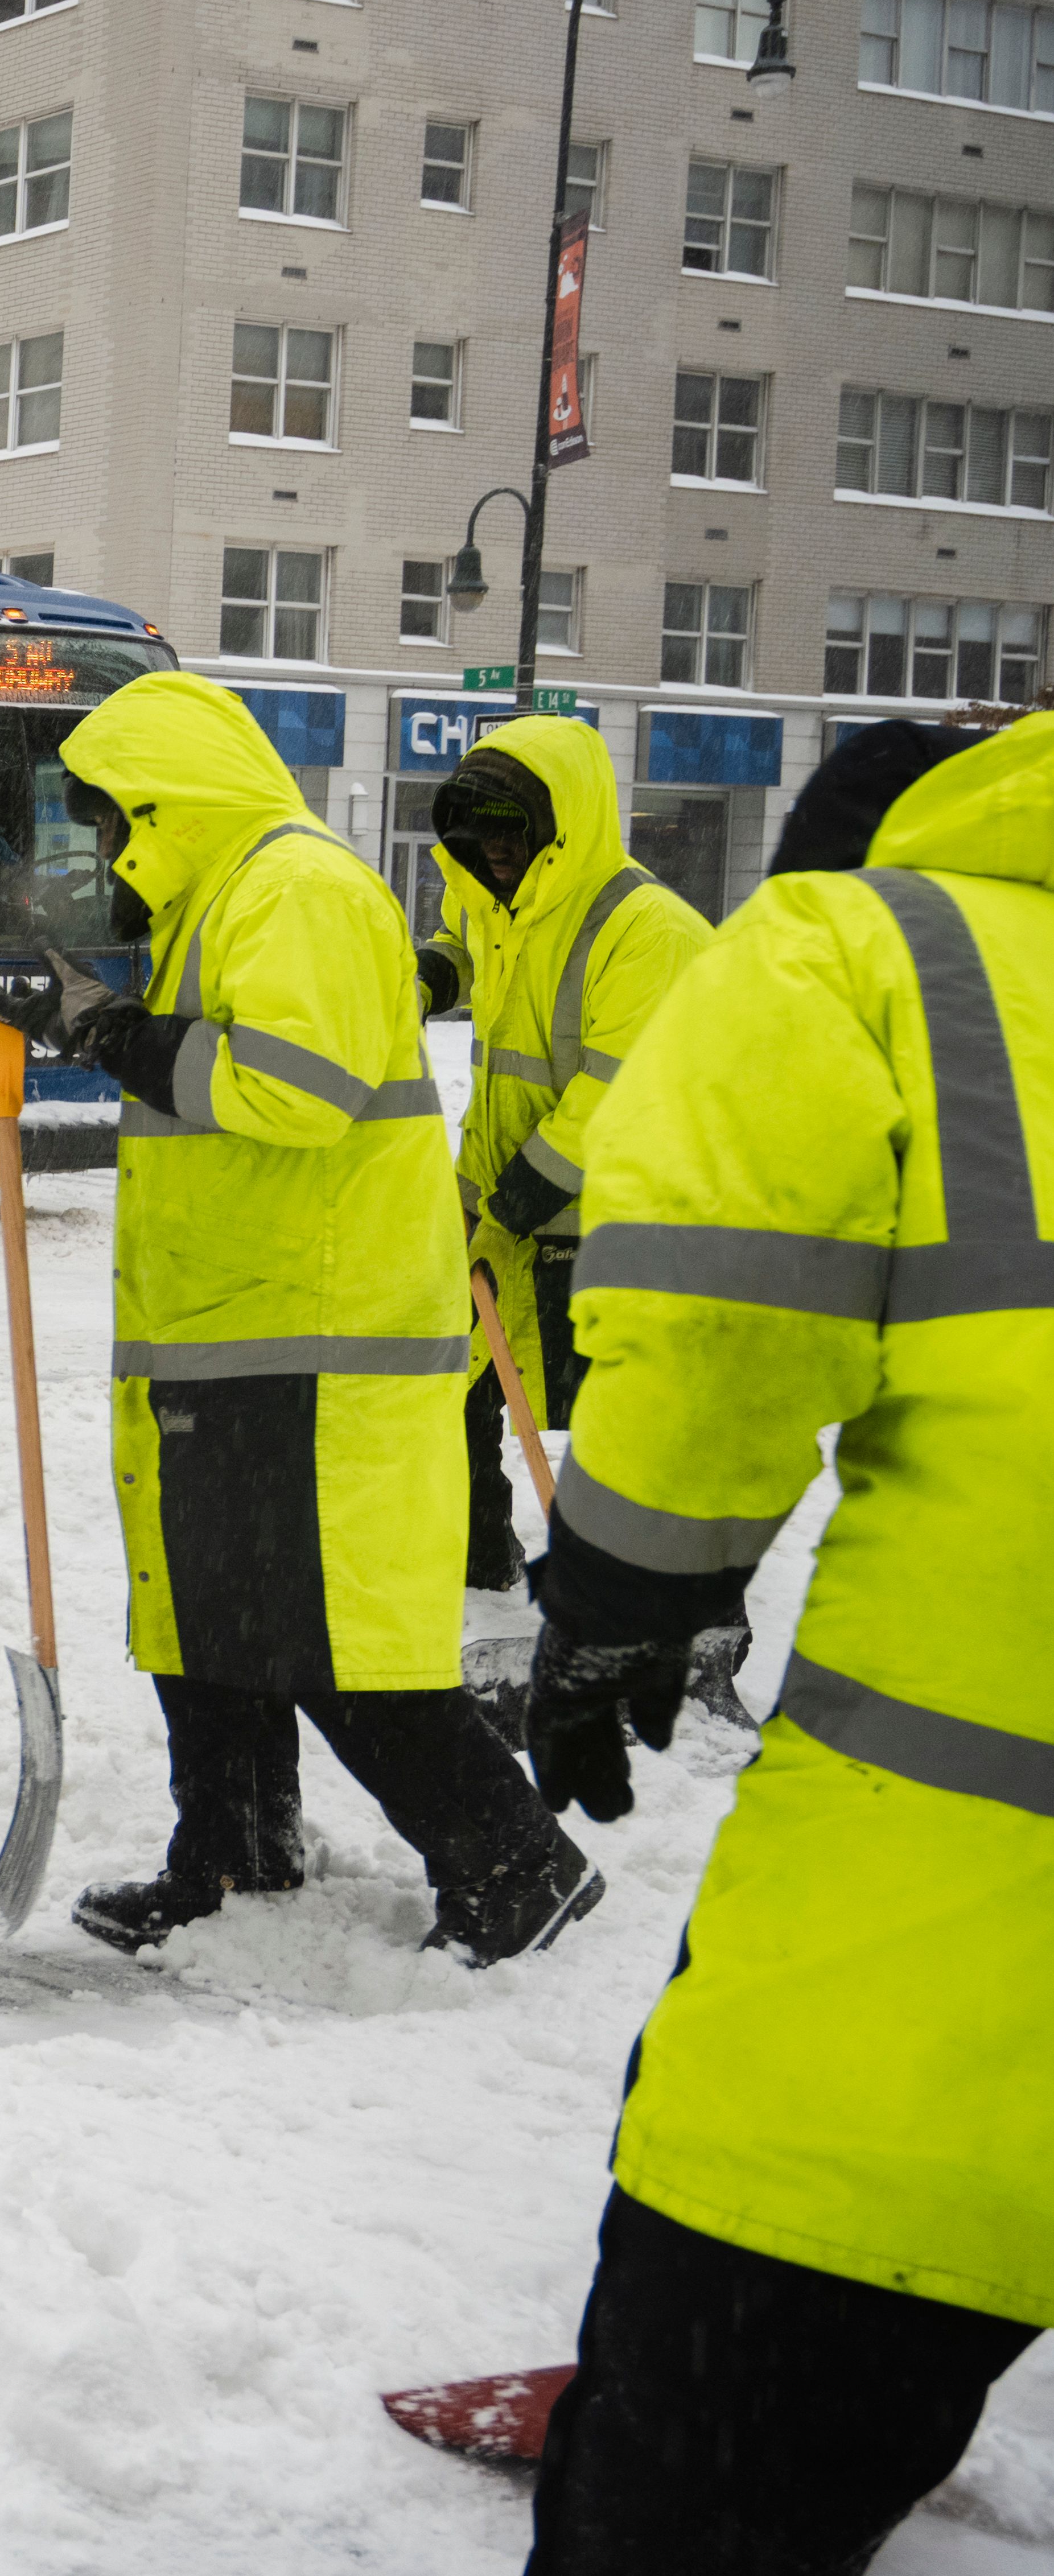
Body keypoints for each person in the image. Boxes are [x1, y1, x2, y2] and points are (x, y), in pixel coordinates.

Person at [517, 712, 1050, 2573]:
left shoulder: (860, 947)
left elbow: (728, 1305)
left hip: (955, 1937)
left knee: (703, 2473)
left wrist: (623, 1585)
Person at [15, 672, 596, 1965]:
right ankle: (227, 1856)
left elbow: (295, 1086)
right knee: (206, 1617)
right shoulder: (212, 903)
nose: (102, 849)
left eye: (112, 820)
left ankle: (513, 1867)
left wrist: (113, 1034)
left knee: (326, 1634)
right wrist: (87, 1019)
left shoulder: (298, 886)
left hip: (317, 1347)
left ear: (163, 804)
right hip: (234, 1332)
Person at [413, 723, 710, 1626]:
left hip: (619, 1216)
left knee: (627, 1421)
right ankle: (476, 1555)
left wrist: (522, 1194)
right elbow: (464, 936)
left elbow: (623, 1089)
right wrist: (429, 975)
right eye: (478, 834)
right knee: (450, 1376)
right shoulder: (496, 896)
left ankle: (676, 1602)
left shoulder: (645, 929)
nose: (496, 852)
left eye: (514, 832)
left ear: (563, 824)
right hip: (505, 1188)